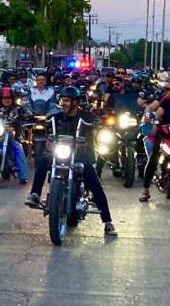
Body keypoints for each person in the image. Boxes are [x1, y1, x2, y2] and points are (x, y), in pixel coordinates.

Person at [24, 86, 118, 236]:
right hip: (60, 153)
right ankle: (35, 194)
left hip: (81, 155)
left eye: (67, 100)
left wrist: (102, 123)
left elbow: (99, 122)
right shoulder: (56, 117)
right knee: (43, 161)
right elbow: (48, 130)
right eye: (63, 100)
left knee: (95, 184)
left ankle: (107, 222)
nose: (64, 103)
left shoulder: (87, 117)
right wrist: (48, 140)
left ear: (75, 102)